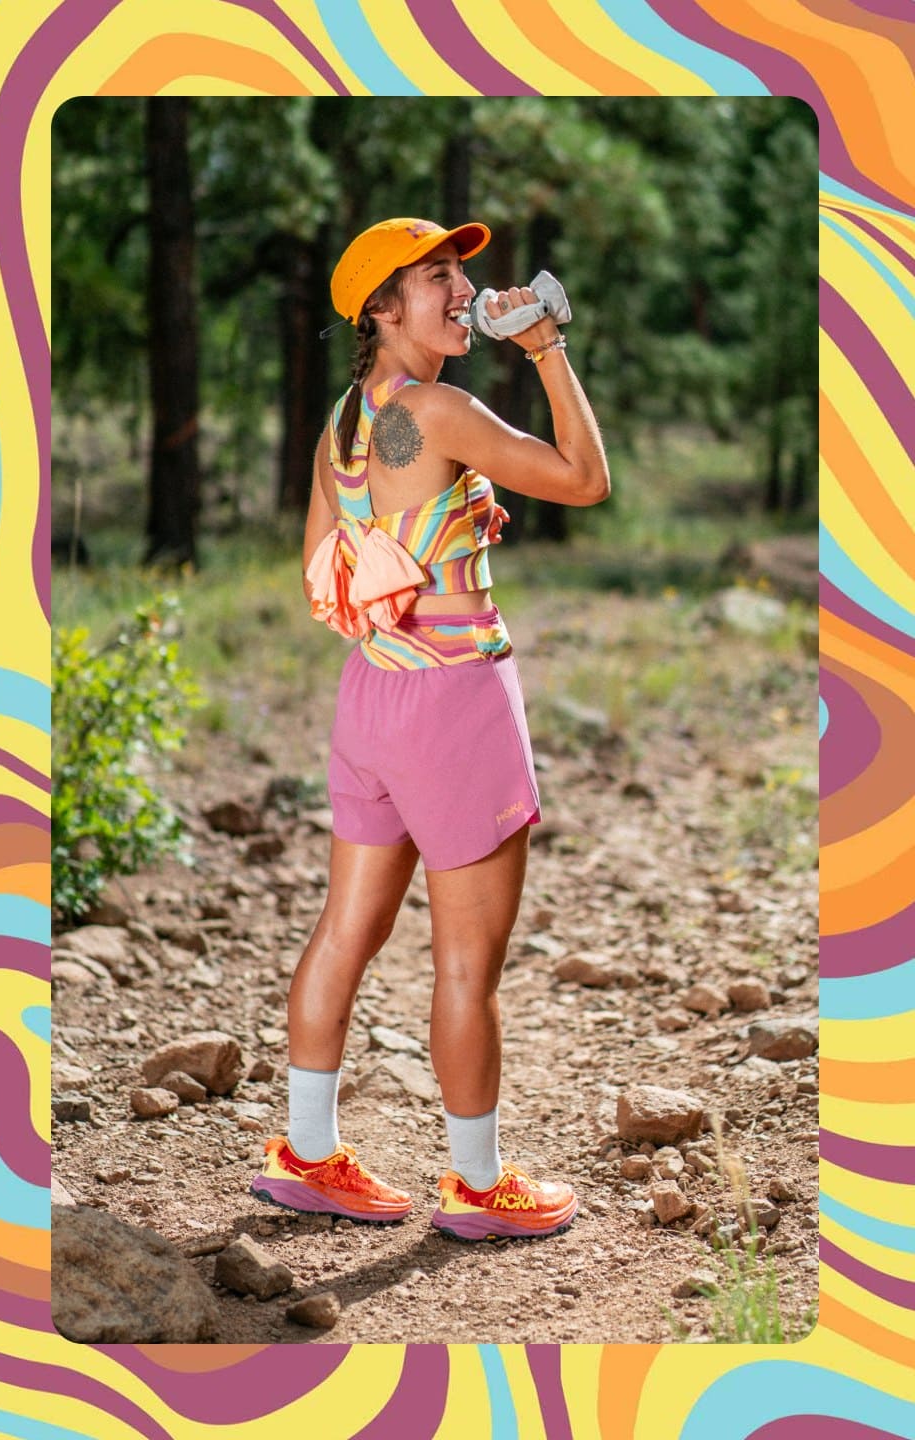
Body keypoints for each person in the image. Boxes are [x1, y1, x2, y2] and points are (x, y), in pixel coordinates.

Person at [251, 217, 609, 1241]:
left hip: (371, 700)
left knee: (343, 934)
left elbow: (327, 576)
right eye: (439, 278)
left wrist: (427, 546)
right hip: (456, 704)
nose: (465, 292)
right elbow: (586, 480)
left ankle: (307, 1154)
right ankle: (477, 1184)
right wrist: (544, 345)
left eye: (462, 273)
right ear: (381, 307)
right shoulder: (443, 409)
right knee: (466, 965)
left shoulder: (346, 422)